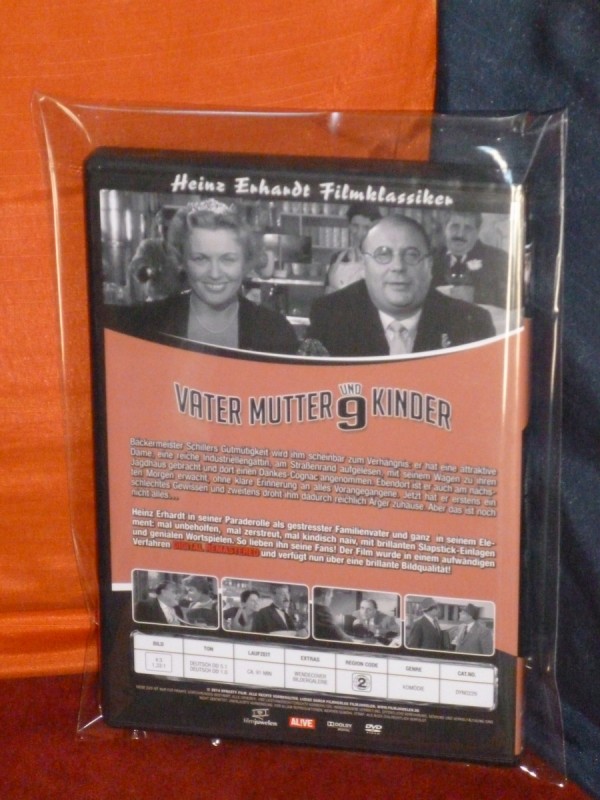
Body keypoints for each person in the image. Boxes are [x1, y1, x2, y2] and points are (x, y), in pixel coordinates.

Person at [105, 199, 299, 355]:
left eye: (228, 259)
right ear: (182, 261)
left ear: (245, 262)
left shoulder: (276, 332)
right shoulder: (146, 323)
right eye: (200, 259)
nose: (214, 274)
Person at [308, 215, 495, 357]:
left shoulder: (472, 323)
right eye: (383, 254)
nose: (398, 267)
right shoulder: (329, 316)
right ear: (364, 266)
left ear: (429, 266)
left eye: (412, 255)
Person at [432, 210, 509, 308]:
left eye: (468, 228)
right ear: (445, 228)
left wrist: (475, 296)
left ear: (477, 232)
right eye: (455, 226)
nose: (460, 234)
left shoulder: (499, 259)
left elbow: (512, 298)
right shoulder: (430, 258)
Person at [325, 202, 381, 293]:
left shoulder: (382, 262)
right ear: (349, 226)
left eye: (366, 227)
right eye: (355, 226)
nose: (359, 233)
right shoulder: (337, 258)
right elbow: (326, 295)